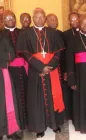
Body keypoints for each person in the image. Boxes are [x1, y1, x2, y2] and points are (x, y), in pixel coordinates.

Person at [16, 8, 65, 138]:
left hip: (51, 70)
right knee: (37, 100)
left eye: (41, 16)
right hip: (35, 71)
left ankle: (55, 124)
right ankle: (39, 127)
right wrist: (40, 67)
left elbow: (58, 51)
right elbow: (25, 53)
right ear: (33, 18)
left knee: (53, 96)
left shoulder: (52, 33)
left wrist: (49, 66)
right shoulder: (26, 34)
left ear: (45, 18)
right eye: (36, 17)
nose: (39, 19)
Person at [1, 10, 28, 133]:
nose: (10, 20)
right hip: (9, 71)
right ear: (3, 20)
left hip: (24, 68)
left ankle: (26, 122)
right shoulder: (1, 34)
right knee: (14, 97)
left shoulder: (22, 33)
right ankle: (16, 124)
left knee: (26, 94)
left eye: (12, 17)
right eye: (7, 18)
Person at [0, 32, 20, 140]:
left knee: (8, 103)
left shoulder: (4, 37)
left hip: (3, 74)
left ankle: (10, 131)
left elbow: (11, 55)